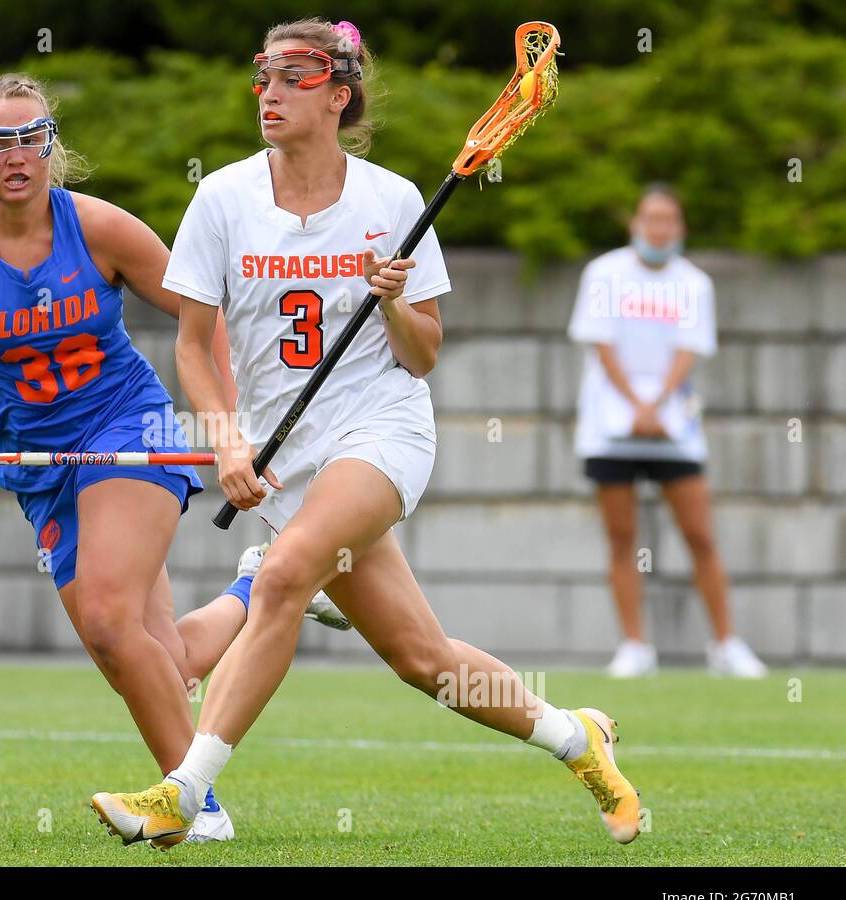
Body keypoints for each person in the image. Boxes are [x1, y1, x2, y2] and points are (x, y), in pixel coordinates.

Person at [89, 18, 641, 850]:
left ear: (337, 95)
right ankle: (577, 738)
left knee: (277, 581)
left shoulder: (392, 201)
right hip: (285, 458)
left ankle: (184, 792)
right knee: (424, 660)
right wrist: (226, 443)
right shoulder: (223, 198)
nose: (268, 94)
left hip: (381, 432)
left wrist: (391, 299)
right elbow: (192, 346)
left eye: (290, 79)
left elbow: (421, 356)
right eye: (261, 78)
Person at [0, 73, 273, 842]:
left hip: (132, 428)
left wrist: (228, 425)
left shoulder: (99, 228)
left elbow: (202, 317)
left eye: (32, 136)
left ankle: (196, 809)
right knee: (158, 655)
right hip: (38, 462)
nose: (16, 155)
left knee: (104, 618)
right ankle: (262, 585)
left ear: (51, 145)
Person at [569, 183, 767, 679]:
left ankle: (726, 645)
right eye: (650, 218)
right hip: (610, 426)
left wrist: (656, 406)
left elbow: (688, 349)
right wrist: (635, 405)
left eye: (668, 220)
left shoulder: (694, 282)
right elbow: (602, 344)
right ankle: (635, 646)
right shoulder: (604, 273)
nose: (658, 228)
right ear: (636, 223)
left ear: (679, 228)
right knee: (621, 537)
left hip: (675, 427)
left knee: (700, 534)